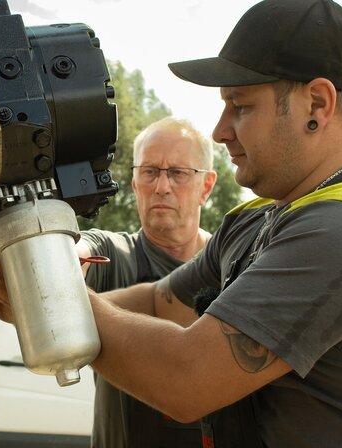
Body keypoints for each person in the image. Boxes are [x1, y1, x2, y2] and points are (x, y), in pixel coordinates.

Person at [0, 0, 342, 446]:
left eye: (240, 107)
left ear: (317, 105)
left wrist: (54, 305)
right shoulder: (256, 221)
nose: (221, 131)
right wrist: (34, 296)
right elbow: (156, 301)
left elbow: (186, 380)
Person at [79, 117, 216, 448]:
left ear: (206, 187)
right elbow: (71, 252)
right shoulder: (111, 253)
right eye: (150, 171)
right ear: (134, 183)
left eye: (178, 173)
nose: (162, 186)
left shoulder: (234, 266)